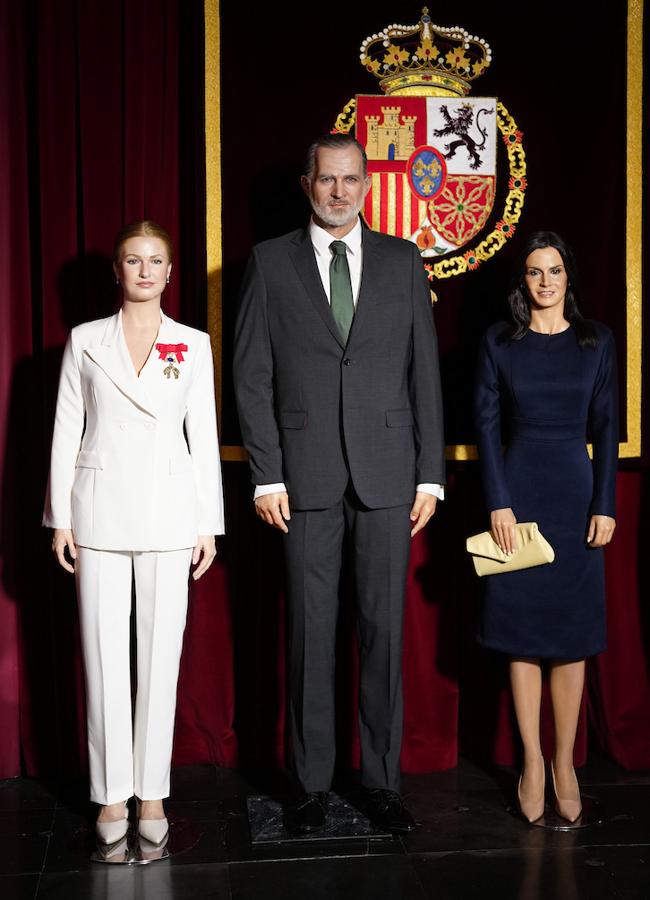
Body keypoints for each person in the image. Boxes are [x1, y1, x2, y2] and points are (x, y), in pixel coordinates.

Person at [233, 133, 445, 834]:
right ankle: (310, 784)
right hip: (305, 479)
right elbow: (251, 375)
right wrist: (267, 473)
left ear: (365, 184)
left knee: (384, 633)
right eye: (327, 180)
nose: (339, 191)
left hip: (389, 477)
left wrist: (431, 474)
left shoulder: (402, 260)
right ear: (306, 184)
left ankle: (382, 783)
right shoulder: (269, 263)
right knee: (310, 635)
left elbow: (425, 373)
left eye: (351, 179)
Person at [43, 220, 224, 849]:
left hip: (172, 513)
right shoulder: (85, 340)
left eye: (155, 261)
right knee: (102, 656)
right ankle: (110, 793)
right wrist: (59, 516)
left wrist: (209, 522)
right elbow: (67, 429)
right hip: (97, 510)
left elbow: (203, 435)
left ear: (171, 273)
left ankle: (152, 792)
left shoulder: (193, 344)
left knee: (160, 658)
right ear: (116, 270)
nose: (144, 270)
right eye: (132, 259)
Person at [474, 231, 618, 824]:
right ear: (523, 281)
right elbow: (485, 427)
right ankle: (531, 760)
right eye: (535, 272)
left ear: (568, 277)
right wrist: (498, 503)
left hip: (576, 495)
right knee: (522, 633)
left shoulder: (597, 341)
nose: (546, 281)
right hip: (519, 492)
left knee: (571, 637)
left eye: (555, 270)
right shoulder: (498, 343)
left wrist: (604, 503)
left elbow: (607, 427)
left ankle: (565, 761)